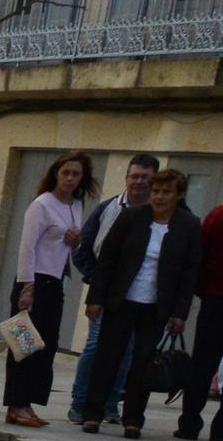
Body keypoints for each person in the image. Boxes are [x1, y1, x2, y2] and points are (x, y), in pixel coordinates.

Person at [81, 168, 202, 439]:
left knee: (144, 362)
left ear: (178, 195)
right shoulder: (132, 217)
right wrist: (96, 298)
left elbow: (189, 272)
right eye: (156, 191)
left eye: (166, 192)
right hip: (121, 301)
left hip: (156, 306)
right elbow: (108, 259)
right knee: (107, 356)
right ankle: (93, 413)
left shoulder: (189, 225)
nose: (159, 197)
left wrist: (180, 313)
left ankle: (134, 418)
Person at [3, 150, 95, 428]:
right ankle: (16, 403)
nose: (69, 178)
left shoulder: (76, 205)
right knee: (24, 345)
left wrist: (75, 241)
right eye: (65, 172)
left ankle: (29, 402)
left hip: (56, 280)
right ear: (56, 173)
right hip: (33, 280)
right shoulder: (41, 204)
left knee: (47, 345)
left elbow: (66, 244)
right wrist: (27, 287)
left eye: (75, 174)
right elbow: (27, 246)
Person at [66, 154, 159, 424]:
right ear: (126, 178)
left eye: (145, 177)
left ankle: (109, 404)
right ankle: (80, 401)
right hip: (106, 294)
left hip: (139, 297)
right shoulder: (108, 209)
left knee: (127, 351)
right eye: (134, 176)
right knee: (96, 346)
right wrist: (98, 282)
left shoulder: (160, 214)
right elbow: (83, 251)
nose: (139, 182)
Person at [184, 200, 223, 441]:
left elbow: (199, 255)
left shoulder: (217, 215)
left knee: (202, 363)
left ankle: (189, 423)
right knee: (203, 364)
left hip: (214, 299)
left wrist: (203, 290)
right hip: (214, 295)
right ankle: (221, 429)